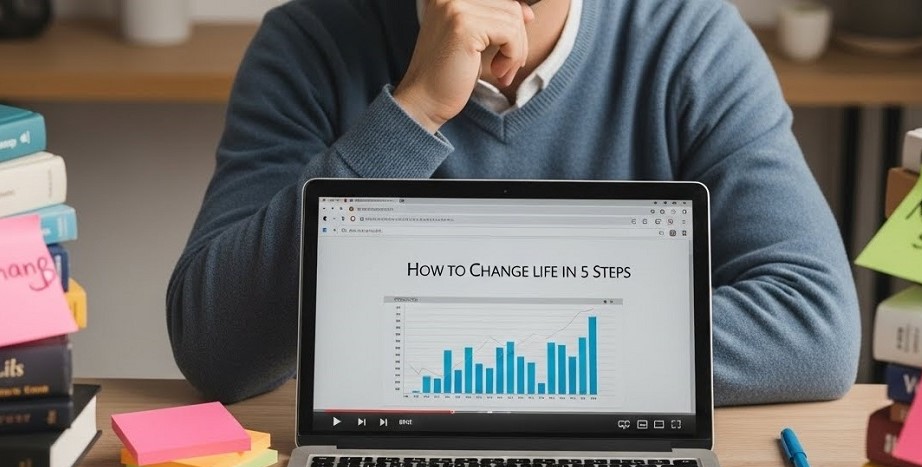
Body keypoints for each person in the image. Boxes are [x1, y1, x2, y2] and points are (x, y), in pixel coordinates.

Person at [167, 0, 861, 406]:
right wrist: (412, 115)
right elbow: (219, 346)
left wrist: (437, 340)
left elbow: (812, 331)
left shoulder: (689, 37)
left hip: (626, 457)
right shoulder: (312, 39)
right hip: (388, 460)